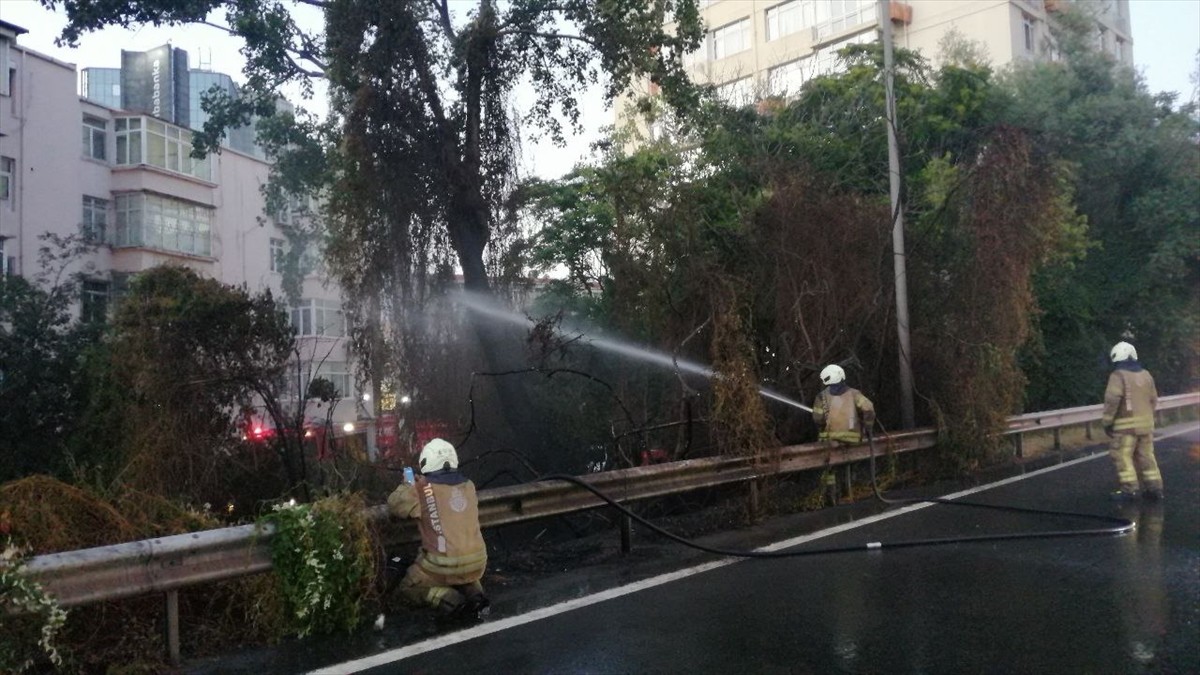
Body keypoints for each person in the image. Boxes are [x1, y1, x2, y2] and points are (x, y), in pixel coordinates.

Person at [387, 438, 490, 619]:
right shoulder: (469, 485)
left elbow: (396, 504)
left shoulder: (421, 488)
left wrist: (409, 482)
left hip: (441, 564)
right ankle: (475, 595)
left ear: (426, 461)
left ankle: (448, 599)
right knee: (462, 574)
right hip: (477, 562)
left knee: (406, 590)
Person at [1101, 341, 1163, 500]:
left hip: (1125, 428)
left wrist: (1107, 422)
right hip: (1146, 426)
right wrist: (1148, 418)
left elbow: (1112, 400)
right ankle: (1154, 489)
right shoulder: (1146, 374)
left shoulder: (1118, 376)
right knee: (1147, 456)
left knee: (1122, 456)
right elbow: (1153, 399)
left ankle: (1130, 490)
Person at [811, 364, 875, 444]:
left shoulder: (821, 396)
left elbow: (818, 419)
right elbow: (869, 408)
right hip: (853, 440)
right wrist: (868, 427)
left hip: (829, 441)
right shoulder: (855, 394)